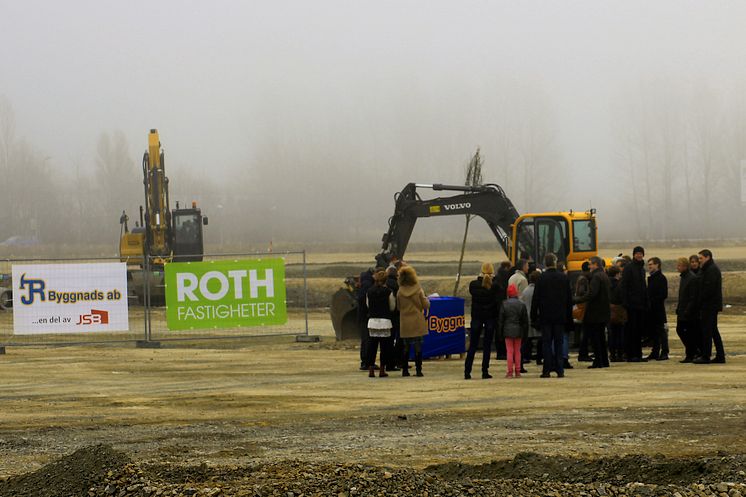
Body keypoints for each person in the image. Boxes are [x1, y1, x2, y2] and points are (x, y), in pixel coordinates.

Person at [531, 253, 573, 378]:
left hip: (546, 317)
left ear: (545, 263)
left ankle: (546, 370)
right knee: (559, 343)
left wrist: (533, 317)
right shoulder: (564, 278)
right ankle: (560, 369)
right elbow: (568, 300)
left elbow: (536, 299)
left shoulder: (541, 278)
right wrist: (569, 318)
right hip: (560, 316)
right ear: (555, 262)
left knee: (547, 343)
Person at [574, 256, 611, 369]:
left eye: (590, 264)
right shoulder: (604, 275)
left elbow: (592, 294)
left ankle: (598, 362)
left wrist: (576, 300)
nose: (589, 266)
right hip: (604, 311)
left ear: (595, 265)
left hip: (595, 312)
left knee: (595, 338)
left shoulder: (596, 277)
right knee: (601, 338)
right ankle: (604, 361)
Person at [465, 263, 500, 379]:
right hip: (490, 317)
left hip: (477, 317)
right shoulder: (494, 286)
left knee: (473, 345)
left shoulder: (473, 285)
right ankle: (485, 371)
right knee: (487, 346)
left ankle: (467, 371)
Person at [397, 266, 431, 376]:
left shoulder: (399, 291)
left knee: (406, 347)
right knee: (418, 346)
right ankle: (419, 370)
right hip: (417, 320)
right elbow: (426, 305)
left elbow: (398, 307)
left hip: (405, 321)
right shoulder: (418, 290)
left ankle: (405, 370)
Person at [694, 249, 726, 364]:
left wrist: (699, 300)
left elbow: (708, 289)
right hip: (710, 305)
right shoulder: (707, 269)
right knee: (713, 330)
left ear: (708, 257)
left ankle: (706, 356)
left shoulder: (711, 270)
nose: (699, 260)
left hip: (709, 305)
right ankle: (720, 355)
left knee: (708, 331)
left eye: (701, 258)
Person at [365, 270, 396, 378]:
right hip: (385, 322)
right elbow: (392, 306)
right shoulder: (388, 291)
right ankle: (382, 370)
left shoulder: (369, 291)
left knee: (371, 347)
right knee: (385, 347)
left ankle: (371, 370)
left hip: (372, 322)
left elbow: (368, 305)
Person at [621, 246, 649, 362]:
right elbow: (624, 286)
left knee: (638, 331)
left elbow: (643, 287)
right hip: (631, 305)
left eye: (641, 253)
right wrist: (626, 302)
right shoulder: (629, 268)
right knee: (631, 330)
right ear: (633, 255)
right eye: (637, 253)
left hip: (640, 305)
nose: (639, 255)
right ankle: (631, 354)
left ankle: (638, 353)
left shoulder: (642, 269)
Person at [499, 284, 528, 378]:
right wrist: (525, 332)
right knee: (517, 351)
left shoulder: (504, 304)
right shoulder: (521, 304)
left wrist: (500, 332)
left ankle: (510, 371)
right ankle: (518, 371)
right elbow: (525, 321)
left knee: (509, 351)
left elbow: (501, 320)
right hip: (518, 329)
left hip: (507, 330)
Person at [675, 256, 700, 363]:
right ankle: (691, 353)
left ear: (685, 266)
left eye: (679, 265)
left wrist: (687, 310)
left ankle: (692, 352)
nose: (677, 267)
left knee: (687, 332)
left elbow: (692, 297)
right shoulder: (684, 277)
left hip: (688, 312)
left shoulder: (691, 278)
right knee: (682, 331)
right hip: (682, 310)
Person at [646, 257, 669, 361]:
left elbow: (663, 294)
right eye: (649, 265)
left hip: (658, 309)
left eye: (651, 264)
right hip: (651, 310)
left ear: (657, 265)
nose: (649, 267)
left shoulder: (661, 278)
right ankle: (655, 352)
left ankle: (664, 352)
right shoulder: (651, 278)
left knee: (661, 332)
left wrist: (653, 300)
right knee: (653, 332)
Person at [520, 271, 542, 372]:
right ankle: (539, 358)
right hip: (536, 317)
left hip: (526, 317)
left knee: (527, 340)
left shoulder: (525, 291)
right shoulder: (538, 291)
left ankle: (525, 357)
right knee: (540, 339)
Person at [357, 267, 375, 370]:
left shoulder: (364, 285)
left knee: (366, 340)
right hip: (366, 317)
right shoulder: (368, 286)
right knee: (367, 340)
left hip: (363, 317)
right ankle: (366, 362)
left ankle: (365, 361)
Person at [607, 265, 626, 362]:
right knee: (620, 333)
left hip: (609, 311)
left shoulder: (605, 283)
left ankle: (612, 354)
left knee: (611, 334)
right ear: (617, 274)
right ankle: (620, 354)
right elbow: (622, 297)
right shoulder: (620, 284)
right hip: (619, 310)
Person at [385, 266, 402, 372]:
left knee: (388, 341)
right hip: (396, 316)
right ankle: (397, 360)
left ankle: (387, 361)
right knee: (399, 339)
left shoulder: (385, 285)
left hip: (386, 317)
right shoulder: (397, 286)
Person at [574, 261, 592, 363]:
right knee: (585, 332)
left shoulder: (581, 277)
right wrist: (590, 293)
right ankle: (583, 353)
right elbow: (581, 292)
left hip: (582, 306)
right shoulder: (584, 279)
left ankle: (583, 353)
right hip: (584, 307)